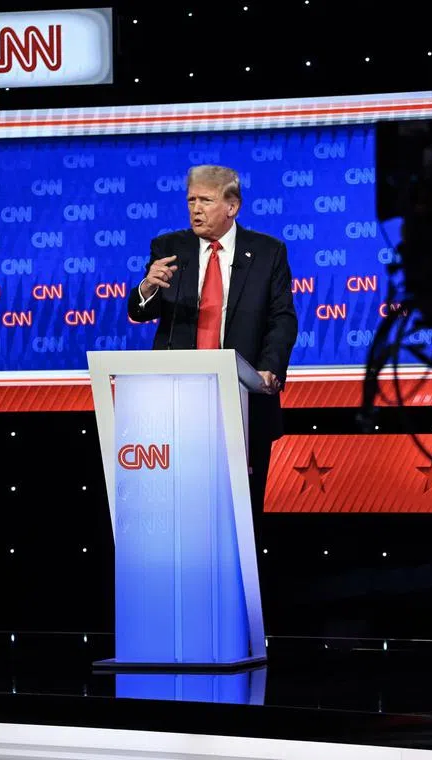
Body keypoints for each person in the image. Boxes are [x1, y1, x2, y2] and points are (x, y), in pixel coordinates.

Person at [127, 164, 298, 552]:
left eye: (205, 200)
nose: (195, 209)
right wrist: (147, 286)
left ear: (232, 206)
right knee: (179, 512)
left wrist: (269, 368)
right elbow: (140, 312)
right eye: (191, 200)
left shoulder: (269, 252)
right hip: (177, 403)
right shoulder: (169, 248)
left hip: (244, 401)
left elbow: (282, 318)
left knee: (242, 518)